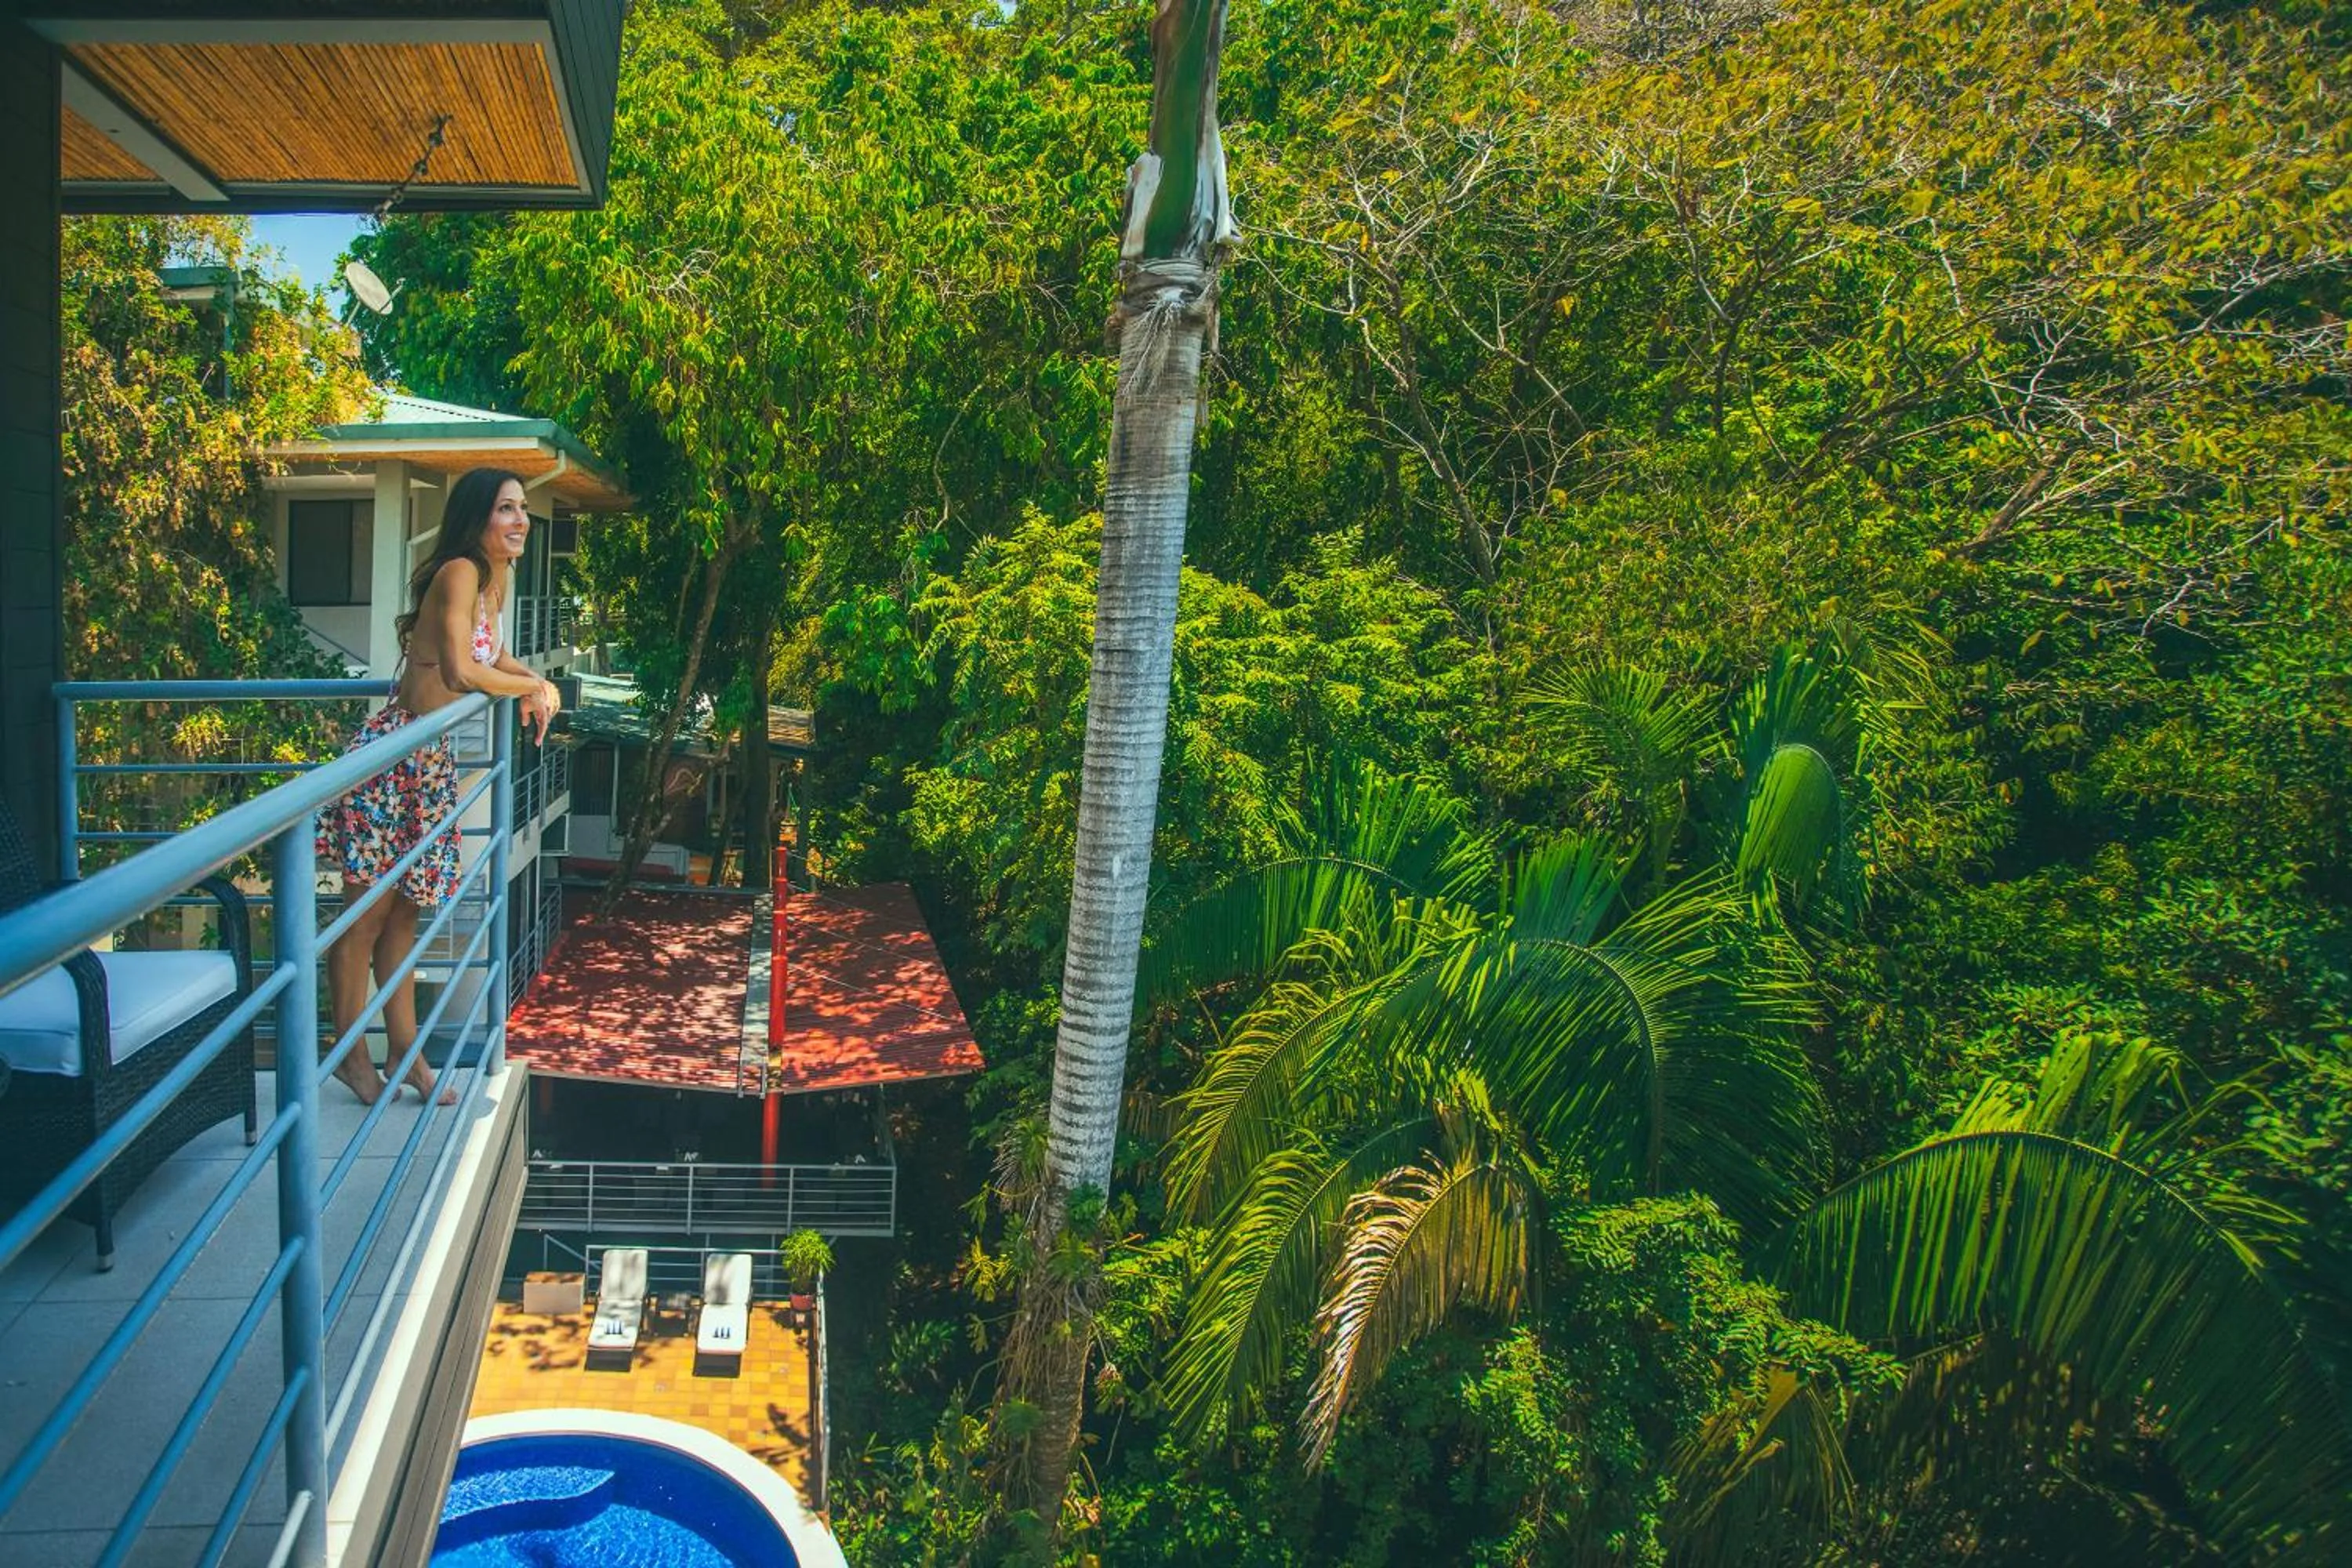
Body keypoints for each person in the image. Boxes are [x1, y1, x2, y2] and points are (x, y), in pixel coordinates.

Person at [315, 468, 562, 1105]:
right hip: (393, 758)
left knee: (406, 913)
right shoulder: (458, 571)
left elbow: (494, 657)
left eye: (523, 510)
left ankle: (406, 1053)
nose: (521, 521)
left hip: (428, 764)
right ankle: (350, 1056)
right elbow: (460, 668)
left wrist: (534, 678)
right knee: (365, 917)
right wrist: (531, 689)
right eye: (506, 509)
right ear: (478, 517)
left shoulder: (494, 580)